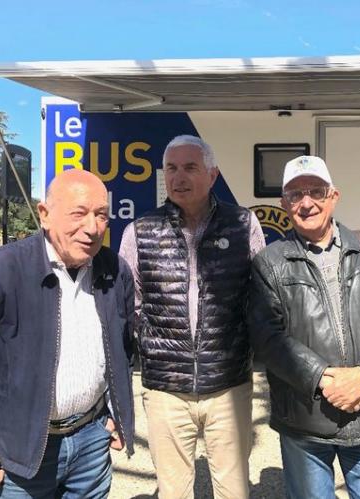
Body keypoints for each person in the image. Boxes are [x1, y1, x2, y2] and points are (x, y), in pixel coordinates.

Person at [0, 169, 135, 497]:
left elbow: (122, 348)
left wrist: (116, 413)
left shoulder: (115, 270)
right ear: (44, 214)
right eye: (79, 213)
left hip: (91, 442)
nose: (92, 227)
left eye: (101, 215)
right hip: (21, 449)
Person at [247, 155, 360, 499]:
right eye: (295, 194)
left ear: (333, 196)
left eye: (316, 192)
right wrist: (325, 378)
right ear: (284, 204)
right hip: (305, 420)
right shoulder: (269, 262)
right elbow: (267, 336)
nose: (306, 203)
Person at [119, 135, 265, 499]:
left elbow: (259, 296)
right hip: (166, 390)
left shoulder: (243, 224)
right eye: (171, 168)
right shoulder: (139, 231)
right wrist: (152, 350)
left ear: (212, 175)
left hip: (228, 386)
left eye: (190, 167)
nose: (178, 177)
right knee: (174, 492)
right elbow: (129, 306)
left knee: (234, 490)